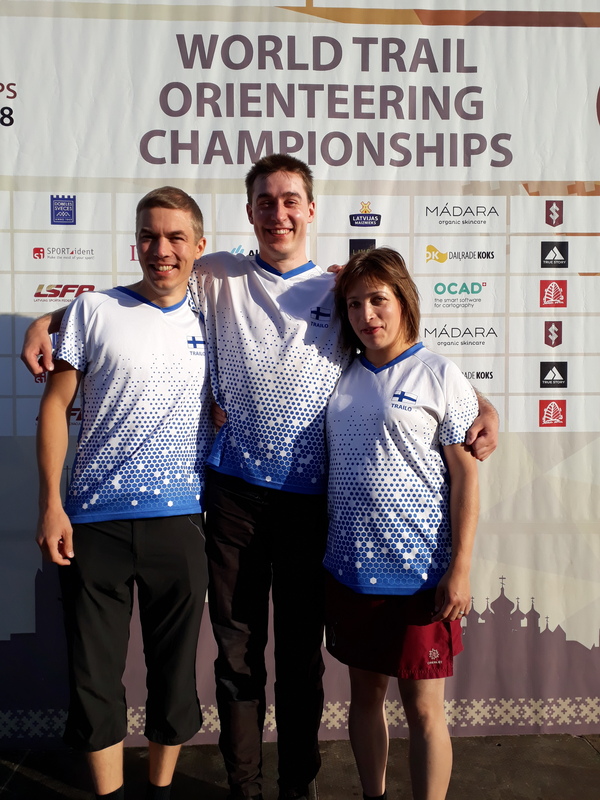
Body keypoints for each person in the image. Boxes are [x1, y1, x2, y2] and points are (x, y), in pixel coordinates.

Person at [23, 155, 498, 800]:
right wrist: (50, 320)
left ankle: (296, 788)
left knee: (300, 661)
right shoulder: (218, 273)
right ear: (249, 213)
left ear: (311, 210)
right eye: (266, 202)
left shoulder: (340, 291)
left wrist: (481, 406)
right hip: (233, 500)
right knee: (237, 658)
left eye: (290, 200)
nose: (279, 213)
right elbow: (141, 292)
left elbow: (404, 361)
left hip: (311, 506)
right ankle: (245, 787)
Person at [35, 187, 213, 800]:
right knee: (94, 680)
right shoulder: (92, 309)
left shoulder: (216, 318)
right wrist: (51, 504)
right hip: (93, 524)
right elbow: (55, 407)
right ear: (135, 242)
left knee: (174, 679)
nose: (161, 249)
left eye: (175, 237)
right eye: (148, 236)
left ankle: (159, 792)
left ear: (199, 246)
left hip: (182, 522)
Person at [324, 246, 479, 800]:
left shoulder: (440, 373)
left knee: (424, 710)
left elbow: (466, 477)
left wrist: (460, 568)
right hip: (351, 572)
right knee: (365, 697)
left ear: (404, 300)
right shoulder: (339, 373)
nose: (367, 315)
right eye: (354, 304)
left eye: (378, 300)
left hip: (421, 578)